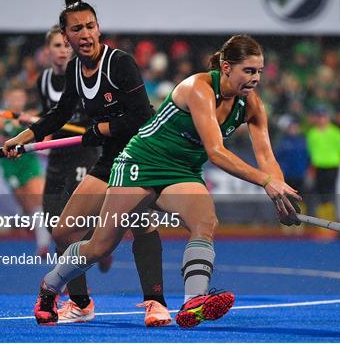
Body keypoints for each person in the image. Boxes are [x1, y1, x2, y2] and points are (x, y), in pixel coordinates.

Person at [31, 34, 302, 328]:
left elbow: (266, 156)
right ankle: (49, 289)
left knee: (205, 221)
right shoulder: (199, 88)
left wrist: (281, 193)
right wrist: (265, 182)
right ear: (226, 67)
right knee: (99, 247)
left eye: (259, 71)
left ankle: (193, 302)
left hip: (181, 171)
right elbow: (215, 152)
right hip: (141, 162)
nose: (256, 78)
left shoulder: (251, 104)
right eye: (249, 71)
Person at [3, 0, 170, 327]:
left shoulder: (119, 63)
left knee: (142, 224)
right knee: (63, 232)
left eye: (90, 26)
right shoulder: (76, 68)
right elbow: (60, 112)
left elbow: (142, 118)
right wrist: (24, 137)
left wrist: (102, 127)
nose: (85, 34)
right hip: (110, 158)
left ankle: (156, 303)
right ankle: (81, 303)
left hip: (142, 154)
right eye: (76, 29)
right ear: (66, 36)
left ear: (98, 28)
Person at [33, 25, 115, 323]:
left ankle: (81, 300)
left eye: (66, 45)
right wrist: (35, 131)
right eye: (57, 45)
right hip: (58, 160)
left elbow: (88, 118)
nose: (63, 50)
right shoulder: (43, 81)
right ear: (49, 50)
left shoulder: (85, 76)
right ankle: (99, 244)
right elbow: (53, 117)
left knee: (70, 231)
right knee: (56, 227)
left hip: (86, 157)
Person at [0, 84, 51, 254]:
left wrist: (43, 146)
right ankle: (30, 221)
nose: (17, 102)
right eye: (14, 98)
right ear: (8, 99)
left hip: (29, 161)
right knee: (25, 203)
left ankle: (43, 244)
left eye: (20, 98)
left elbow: (46, 134)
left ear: (25, 100)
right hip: (9, 165)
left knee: (38, 199)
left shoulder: (32, 116)